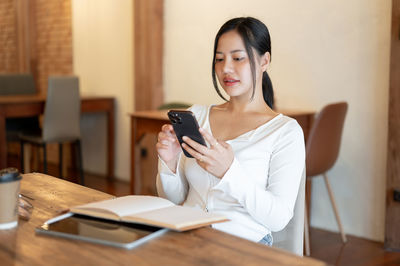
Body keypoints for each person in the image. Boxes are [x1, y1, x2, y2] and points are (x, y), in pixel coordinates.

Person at [156, 17, 305, 247]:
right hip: (185, 236)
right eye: (219, 59)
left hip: (243, 246)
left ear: (264, 61)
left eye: (238, 58)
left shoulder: (285, 132)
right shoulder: (197, 116)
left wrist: (229, 171)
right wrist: (169, 164)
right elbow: (175, 199)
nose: (225, 68)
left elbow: (278, 218)